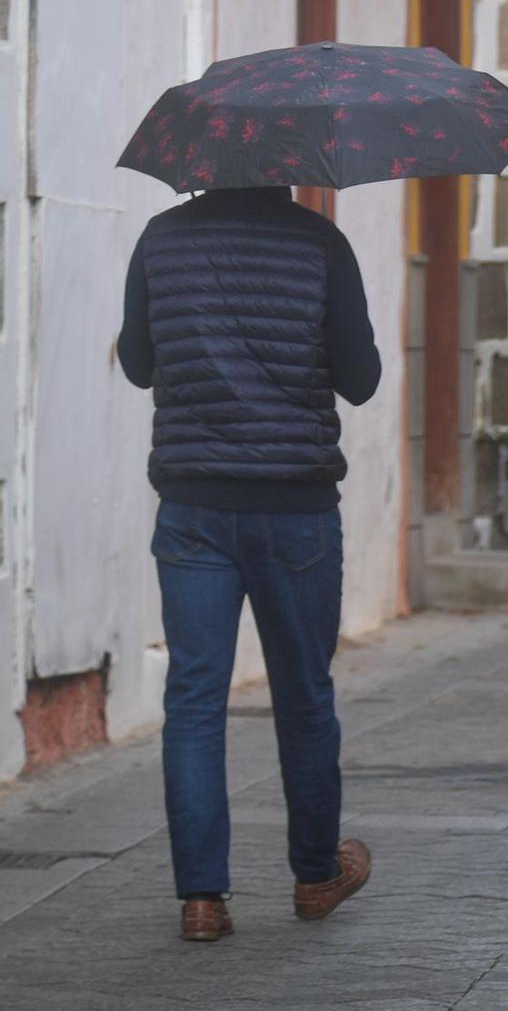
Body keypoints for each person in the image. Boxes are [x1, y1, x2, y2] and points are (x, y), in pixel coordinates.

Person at [118, 186, 381, 942]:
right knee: (304, 695)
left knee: (195, 700)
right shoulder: (320, 242)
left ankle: (202, 899)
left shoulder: (160, 237)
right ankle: (314, 875)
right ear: (291, 160)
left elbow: (138, 364)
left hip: (193, 503)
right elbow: (360, 380)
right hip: (295, 508)